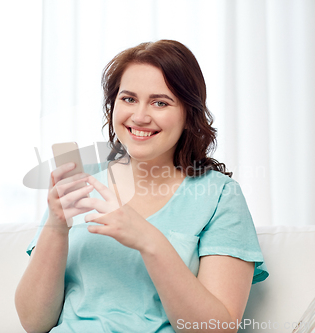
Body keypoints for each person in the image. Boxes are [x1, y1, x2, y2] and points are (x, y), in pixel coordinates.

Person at [15, 39, 269, 333]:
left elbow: (215, 328)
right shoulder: (79, 184)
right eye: (128, 99)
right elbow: (34, 323)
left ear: (189, 114)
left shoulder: (219, 196)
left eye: (160, 102)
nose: (139, 116)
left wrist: (149, 241)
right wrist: (57, 227)